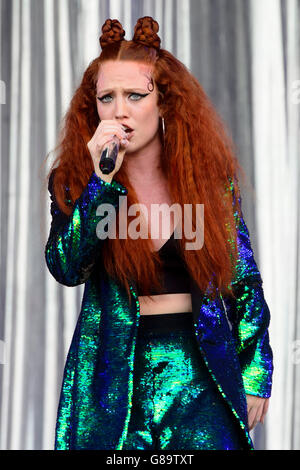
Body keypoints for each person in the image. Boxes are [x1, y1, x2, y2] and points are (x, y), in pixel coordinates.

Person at [45, 16, 273, 450]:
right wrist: (101, 183)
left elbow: (243, 280)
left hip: (199, 373)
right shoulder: (76, 181)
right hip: (111, 379)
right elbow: (67, 267)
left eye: (135, 95)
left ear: (163, 102)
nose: (120, 111)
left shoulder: (207, 181)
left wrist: (256, 370)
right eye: (106, 98)